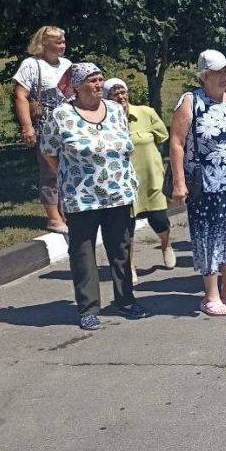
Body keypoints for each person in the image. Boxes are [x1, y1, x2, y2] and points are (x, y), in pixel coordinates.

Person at [40, 63, 146, 330]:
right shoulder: (61, 115)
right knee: (83, 251)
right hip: (81, 196)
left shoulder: (115, 110)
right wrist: (72, 175)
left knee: (120, 248)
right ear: (76, 86)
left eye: (101, 79)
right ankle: (88, 308)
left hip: (118, 192)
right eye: (92, 80)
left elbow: (125, 145)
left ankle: (125, 300)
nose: (99, 85)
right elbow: (49, 151)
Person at [169, 50, 226, 317]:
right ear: (204, 76)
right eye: (219, 72)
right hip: (205, 184)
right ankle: (210, 295)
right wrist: (179, 182)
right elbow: (176, 142)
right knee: (209, 236)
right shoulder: (191, 101)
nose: (225, 77)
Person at [102, 78, 174, 280]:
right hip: (124, 182)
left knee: (159, 220)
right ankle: (130, 266)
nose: (121, 97)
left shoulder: (146, 113)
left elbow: (162, 136)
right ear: (107, 99)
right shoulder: (105, 120)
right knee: (127, 228)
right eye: (115, 94)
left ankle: (166, 245)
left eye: (123, 92)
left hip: (151, 177)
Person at [12, 25, 72, 234]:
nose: (62, 46)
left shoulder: (67, 64)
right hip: (46, 127)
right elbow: (21, 96)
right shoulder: (31, 65)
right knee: (50, 172)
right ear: (44, 44)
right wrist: (27, 127)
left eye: (63, 41)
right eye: (58, 42)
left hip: (68, 126)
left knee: (69, 170)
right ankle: (53, 218)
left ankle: (67, 212)